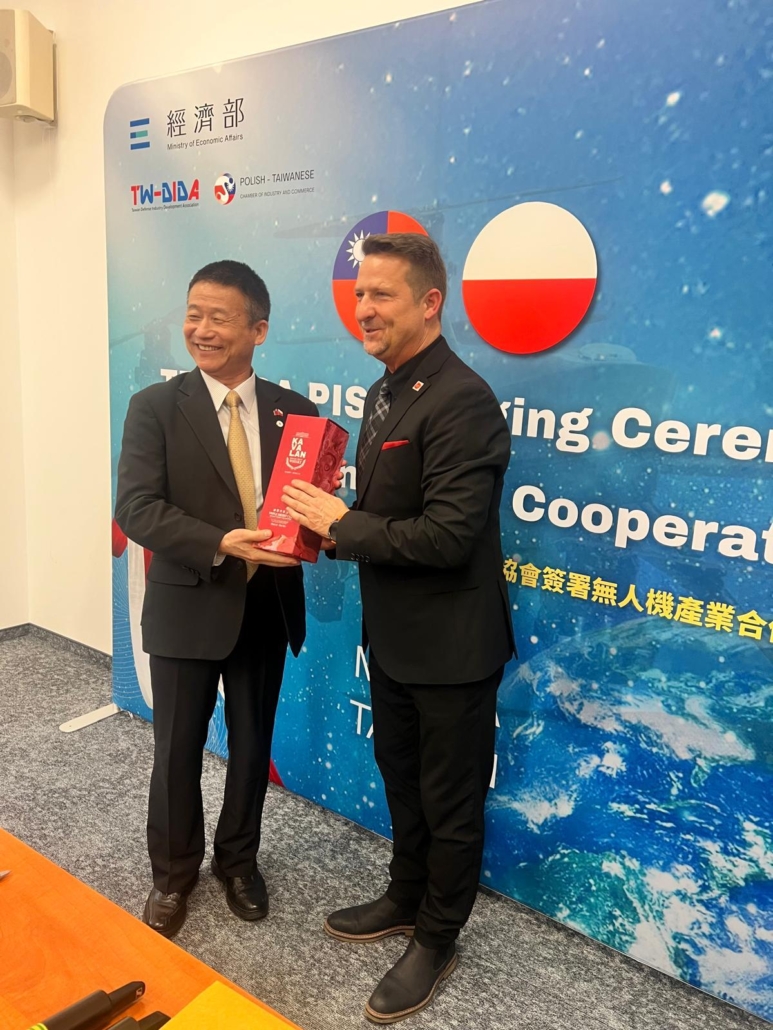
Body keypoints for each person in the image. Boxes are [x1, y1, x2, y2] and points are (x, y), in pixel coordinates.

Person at [282, 233, 516, 1023]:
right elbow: (389, 513)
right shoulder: (385, 391)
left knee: (449, 801)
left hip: (451, 649)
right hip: (393, 640)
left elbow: (448, 536)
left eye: (381, 295)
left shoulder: (463, 400)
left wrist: (343, 524)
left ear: (429, 302)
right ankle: (405, 896)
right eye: (359, 295)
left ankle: (437, 937)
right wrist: (330, 526)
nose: (364, 310)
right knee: (402, 779)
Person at [115, 260, 317, 938]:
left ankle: (238, 862)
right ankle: (173, 874)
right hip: (188, 601)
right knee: (177, 748)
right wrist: (219, 541)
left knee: (252, 744)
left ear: (258, 330)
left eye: (219, 318)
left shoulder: (296, 411)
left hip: (265, 606)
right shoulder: (154, 407)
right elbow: (137, 508)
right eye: (193, 314)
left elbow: (305, 506)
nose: (201, 329)